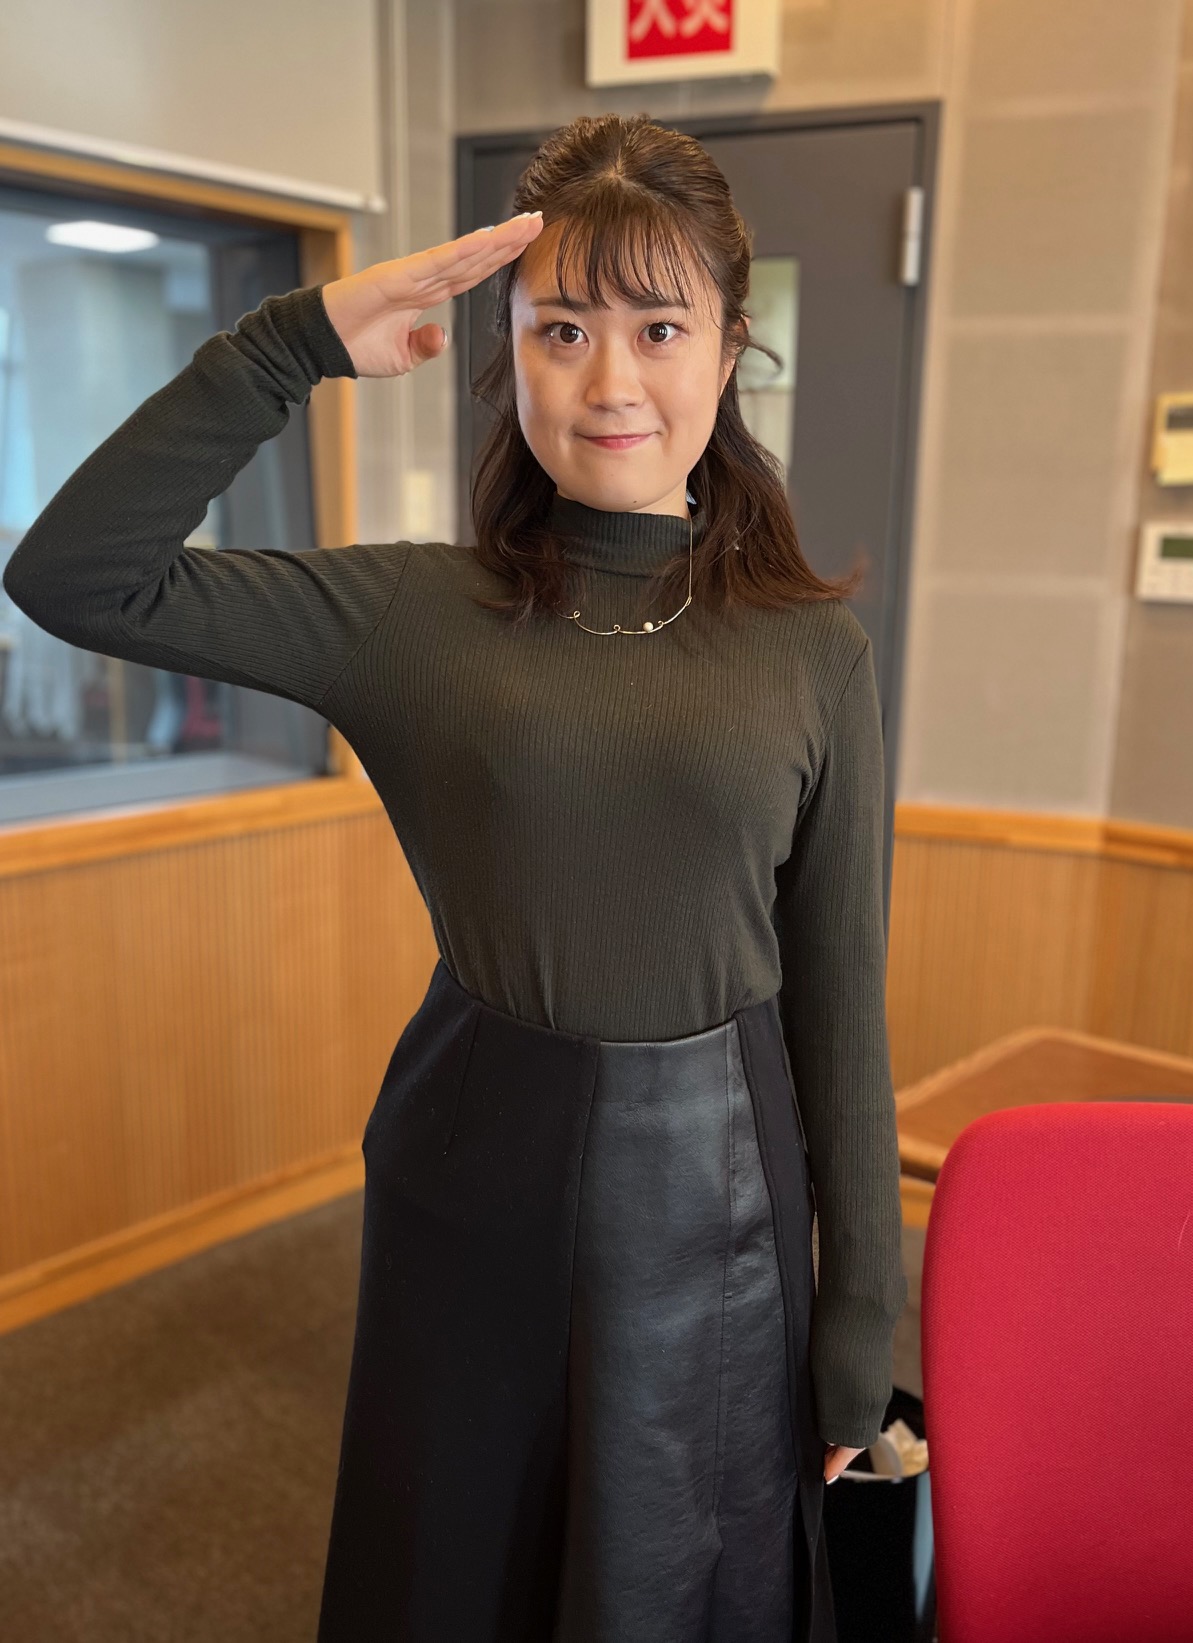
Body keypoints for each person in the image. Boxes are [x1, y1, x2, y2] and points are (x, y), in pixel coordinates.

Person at [3, 113, 908, 1643]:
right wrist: (294, 343)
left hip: (722, 1197)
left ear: (731, 349)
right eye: (562, 328)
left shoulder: (813, 652)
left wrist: (861, 1320)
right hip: (476, 1171)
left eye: (659, 327)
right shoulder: (416, 616)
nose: (610, 381)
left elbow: (842, 1004)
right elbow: (74, 575)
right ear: (509, 353)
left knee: (684, 1581)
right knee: (459, 1569)